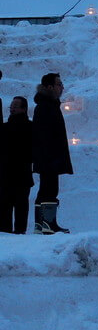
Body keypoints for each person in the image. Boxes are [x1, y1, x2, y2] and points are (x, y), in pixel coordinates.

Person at [32, 73, 73, 234]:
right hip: (49, 157)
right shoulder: (46, 107)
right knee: (50, 188)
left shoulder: (48, 105)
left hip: (47, 156)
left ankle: (40, 224)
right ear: (49, 87)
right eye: (59, 84)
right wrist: (51, 157)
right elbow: (44, 134)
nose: (62, 87)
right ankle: (48, 224)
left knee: (45, 188)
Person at [0, 97, 34, 234]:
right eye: (11, 106)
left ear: (23, 108)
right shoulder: (30, 127)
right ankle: (18, 234)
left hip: (11, 173)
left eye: (15, 106)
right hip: (20, 174)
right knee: (19, 207)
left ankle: (7, 234)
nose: (12, 108)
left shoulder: (6, 128)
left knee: (8, 207)